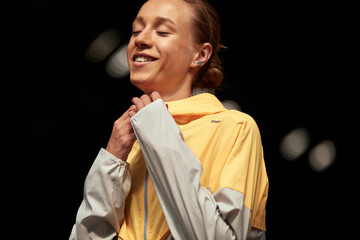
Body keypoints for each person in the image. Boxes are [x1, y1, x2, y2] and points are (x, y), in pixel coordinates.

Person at [70, 0, 269, 239]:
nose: (140, 40)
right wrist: (110, 162)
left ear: (200, 54)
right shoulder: (127, 140)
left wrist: (159, 134)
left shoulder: (235, 128)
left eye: (162, 31)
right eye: (136, 30)